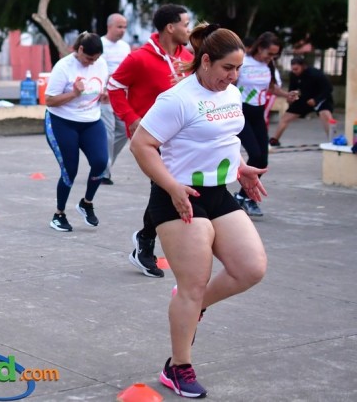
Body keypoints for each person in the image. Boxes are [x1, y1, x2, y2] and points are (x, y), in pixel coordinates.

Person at [129, 23, 267, 399]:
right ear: (206, 62)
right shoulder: (177, 99)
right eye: (227, 68)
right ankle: (178, 367)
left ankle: (191, 304)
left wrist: (241, 168)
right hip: (179, 195)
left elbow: (224, 139)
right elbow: (141, 145)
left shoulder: (231, 93)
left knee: (251, 268)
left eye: (238, 69)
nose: (233, 76)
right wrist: (171, 186)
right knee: (194, 283)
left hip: (218, 191)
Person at [108, 4, 194, 278]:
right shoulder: (139, 58)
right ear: (171, 27)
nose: (189, 29)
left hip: (181, 138)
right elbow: (114, 87)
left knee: (167, 189)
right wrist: (131, 119)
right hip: (151, 140)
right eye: (186, 24)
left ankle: (146, 239)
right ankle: (146, 243)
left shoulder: (187, 57)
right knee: (164, 187)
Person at [43, 32, 108, 232]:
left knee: (101, 163)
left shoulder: (101, 64)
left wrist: (103, 95)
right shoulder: (64, 67)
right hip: (62, 122)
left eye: (95, 59)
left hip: (91, 121)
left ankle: (86, 203)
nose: (92, 63)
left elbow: (99, 89)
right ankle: (59, 214)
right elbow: (49, 100)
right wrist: (74, 93)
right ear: (80, 49)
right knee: (70, 170)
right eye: (89, 58)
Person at [234, 32, 297, 217]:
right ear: (260, 47)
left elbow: (272, 88)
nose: (271, 57)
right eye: (269, 53)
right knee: (254, 155)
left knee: (263, 160)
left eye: (275, 55)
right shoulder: (243, 61)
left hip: (258, 114)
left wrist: (287, 95)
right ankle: (245, 196)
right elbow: (230, 82)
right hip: (241, 113)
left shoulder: (269, 65)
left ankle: (244, 197)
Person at [269, 57, 335, 146]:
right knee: (286, 117)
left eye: (296, 69)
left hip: (321, 99)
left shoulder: (315, 74)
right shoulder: (293, 75)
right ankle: (275, 140)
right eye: (293, 69)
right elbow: (292, 88)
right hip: (304, 99)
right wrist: (290, 97)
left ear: (303, 66)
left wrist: (316, 100)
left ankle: (332, 141)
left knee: (326, 116)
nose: (294, 71)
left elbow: (328, 88)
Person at [99, 13, 132, 185]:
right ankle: (103, 172)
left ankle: (103, 165)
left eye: (125, 27)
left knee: (124, 130)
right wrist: (104, 88)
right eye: (119, 27)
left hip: (121, 95)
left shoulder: (125, 47)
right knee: (108, 132)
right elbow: (97, 69)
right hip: (104, 95)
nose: (122, 30)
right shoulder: (100, 44)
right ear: (109, 27)